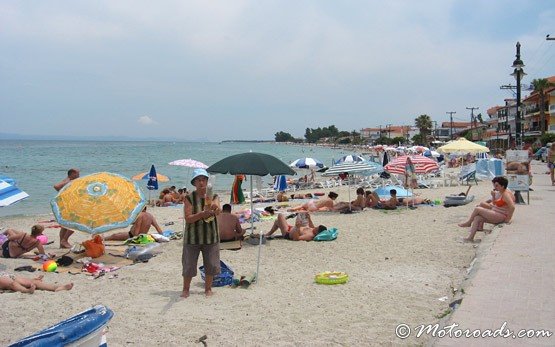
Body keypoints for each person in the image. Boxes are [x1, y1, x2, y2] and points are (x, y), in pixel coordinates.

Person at [181, 169, 221, 298]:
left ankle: (208, 288)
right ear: (194, 182)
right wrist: (201, 214)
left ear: (207, 181)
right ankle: (186, 289)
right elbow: (188, 218)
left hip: (210, 236)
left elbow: (218, 209)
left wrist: (215, 208)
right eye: (198, 180)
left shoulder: (213, 196)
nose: (201, 182)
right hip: (193, 237)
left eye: (203, 179)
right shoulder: (189, 198)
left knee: (210, 264)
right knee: (189, 264)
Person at [458, 176, 515, 243]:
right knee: (477, 218)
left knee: (477, 209)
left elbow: (512, 206)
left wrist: (508, 218)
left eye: (497, 186)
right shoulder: (501, 192)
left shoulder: (506, 194)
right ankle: (470, 238)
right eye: (495, 185)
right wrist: (493, 196)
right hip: (496, 213)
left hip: (501, 215)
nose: (495, 187)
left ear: (502, 186)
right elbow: (495, 203)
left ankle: (469, 222)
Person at [54, 168, 79, 248]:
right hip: (69, 205)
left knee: (64, 226)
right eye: (77, 174)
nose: (79, 175)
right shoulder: (69, 181)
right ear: (72, 174)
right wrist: (63, 194)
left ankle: (62, 244)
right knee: (75, 224)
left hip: (66, 205)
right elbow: (56, 186)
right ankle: (64, 240)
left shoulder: (69, 180)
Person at [0, 273, 73, 294]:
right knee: (12, 283)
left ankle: (57, 287)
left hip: (5, 275)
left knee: (34, 282)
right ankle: (27, 291)